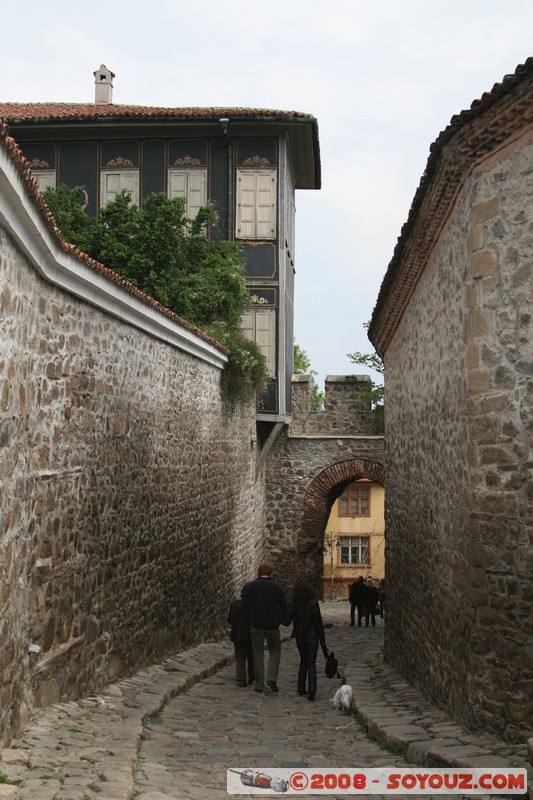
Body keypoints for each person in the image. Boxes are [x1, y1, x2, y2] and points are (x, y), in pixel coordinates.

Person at [241, 563, 290, 694]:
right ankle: (271, 678)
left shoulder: (251, 587)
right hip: (272, 625)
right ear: (270, 573)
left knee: (257, 653)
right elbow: (284, 606)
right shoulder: (277, 587)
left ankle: (259, 684)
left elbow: (244, 605)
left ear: (258, 573)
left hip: (255, 625)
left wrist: (249, 619)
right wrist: (279, 619)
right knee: (275, 650)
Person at [291, 581, 326, 701]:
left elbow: (289, 619)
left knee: (303, 660)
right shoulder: (313, 603)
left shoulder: (294, 604)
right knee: (311, 662)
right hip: (312, 635)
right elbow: (318, 622)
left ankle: (301, 687)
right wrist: (323, 640)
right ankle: (312, 689)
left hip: (300, 635)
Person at [227, 592, 254, 687]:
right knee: (251, 656)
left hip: (237, 634)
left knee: (239, 656)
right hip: (249, 635)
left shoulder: (235, 604)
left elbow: (229, 619)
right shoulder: (253, 606)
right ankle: (252, 676)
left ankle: (241, 678)